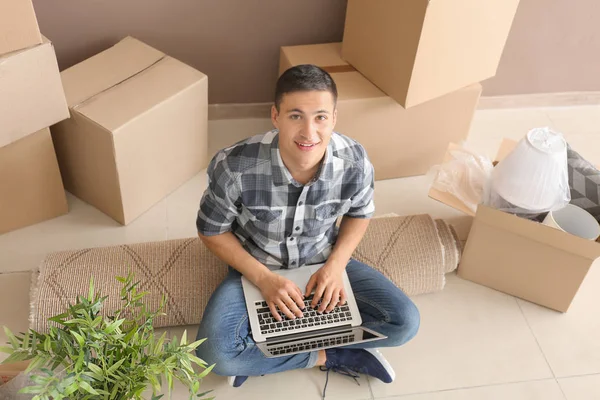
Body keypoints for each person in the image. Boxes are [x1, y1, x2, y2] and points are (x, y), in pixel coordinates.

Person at [195, 64, 420, 391]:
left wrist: (335, 266)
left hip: (322, 260)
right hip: (258, 266)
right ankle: (327, 357)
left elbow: (360, 213)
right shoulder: (233, 165)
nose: (309, 133)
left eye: (320, 117)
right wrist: (265, 279)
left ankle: (268, 353)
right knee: (214, 354)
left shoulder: (355, 160)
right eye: (295, 116)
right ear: (276, 116)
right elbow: (211, 231)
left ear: (334, 118)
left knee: (405, 323)